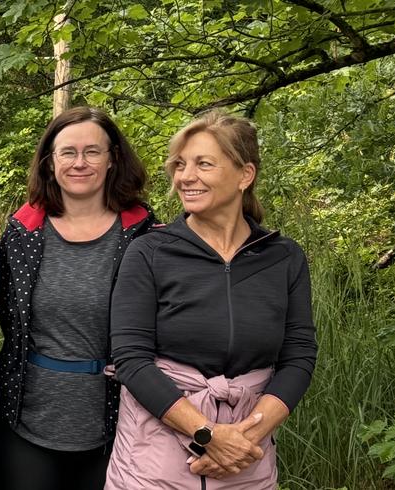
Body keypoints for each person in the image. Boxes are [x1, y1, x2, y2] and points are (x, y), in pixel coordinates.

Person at [108, 110, 316, 489]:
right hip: (154, 455)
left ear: (245, 175)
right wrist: (208, 435)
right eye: (180, 165)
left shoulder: (283, 258)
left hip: (248, 454)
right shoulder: (149, 252)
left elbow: (298, 356)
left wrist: (245, 439)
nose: (185, 177)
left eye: (203, 164)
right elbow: (131, 359)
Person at [0, 107, 156, 490]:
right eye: (68, 152)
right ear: (50, 161)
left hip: (119, 429)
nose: (80, 163)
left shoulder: (146, 238)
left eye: (92, 152)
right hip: (24, 426)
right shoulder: (21, 235)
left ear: (112, 159)